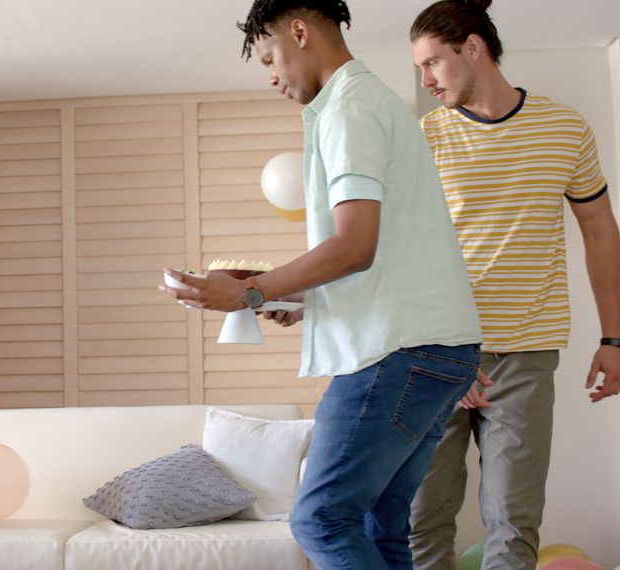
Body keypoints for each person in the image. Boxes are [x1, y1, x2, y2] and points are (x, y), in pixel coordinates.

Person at [158, 1, 482, 568]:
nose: (272, 77)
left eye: (269, 58)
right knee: (381, 528)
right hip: (438, 348)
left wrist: (251, 290)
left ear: (300, 32)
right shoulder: (371, 102)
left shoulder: (349, 109)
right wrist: (299, 296)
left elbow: (355, 246)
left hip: (396, 352)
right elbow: (388, 251)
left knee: (321, 520)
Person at [407, 2, 620, 568]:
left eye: (432, 64)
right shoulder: (423, 138)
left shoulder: (565, 127)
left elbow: (600, 230)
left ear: (473, 48)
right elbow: (405, 254)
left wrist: (615, 338)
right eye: (419, 69)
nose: (425, 82)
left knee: (513, 524)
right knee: (422, 523)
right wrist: (451, 355)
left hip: (524, 357)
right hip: (436, 354)